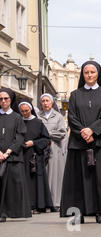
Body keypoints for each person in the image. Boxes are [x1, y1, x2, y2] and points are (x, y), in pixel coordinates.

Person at [60, 61, 101, 224]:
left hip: (99, 142)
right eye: (86, 72)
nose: (90, 75)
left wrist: (92, 130)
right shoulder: (75, 94)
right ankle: (79, 214)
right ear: (82, 74)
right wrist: (83, 132)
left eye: (93, 72)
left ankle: (100, 212)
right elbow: (71, 117)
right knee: (79, 180)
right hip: (79, 143)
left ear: (98, 74)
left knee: (100, 179)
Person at [0, 88, 30, 222]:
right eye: (0, 99)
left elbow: (20, 137)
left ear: (11, 100)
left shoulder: (17, 117)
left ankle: (9, 212)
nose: (3, 101)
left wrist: (7, 152)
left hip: (13, 157)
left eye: (6, 98)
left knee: (13, 186)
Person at [19, 101, 52, 214]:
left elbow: (46, 139)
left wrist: (33, 143)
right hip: (22, 156)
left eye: (26, 111)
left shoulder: (38, 122)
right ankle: (25, 205)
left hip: (35, 156)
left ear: (31, 109)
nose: (25, 113)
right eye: (22, 111)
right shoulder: (18, 122)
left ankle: (38, 205)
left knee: (36, 181)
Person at [37, 94, 67, 212]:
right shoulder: (38, 116)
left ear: (52, 102)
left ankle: (55, 202)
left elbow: (61, 133)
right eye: (43, 101)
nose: (45, 103)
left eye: (47, 101)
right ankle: (43, 202)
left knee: (54, 176)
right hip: (40, 148)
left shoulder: (58, 116)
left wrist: (46, 134)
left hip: (54, 148)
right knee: (43, 175)